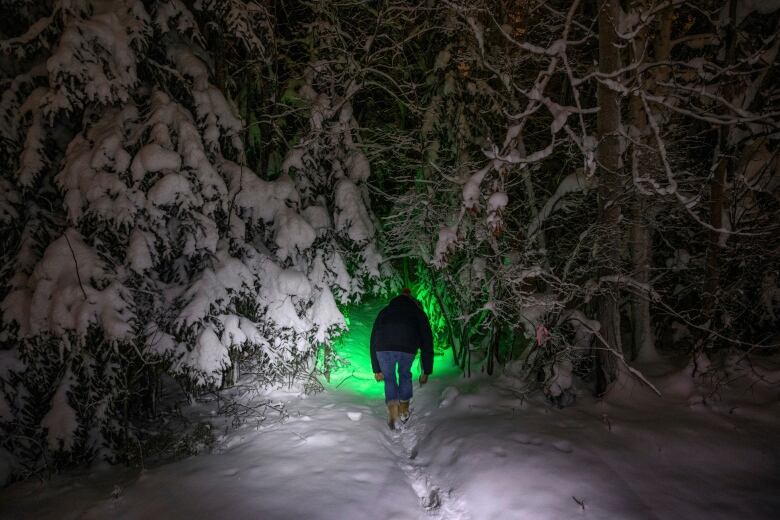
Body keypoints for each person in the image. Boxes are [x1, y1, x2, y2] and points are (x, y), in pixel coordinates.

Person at [370, 288, 433, 430]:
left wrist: (376, 369)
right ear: (413, 301)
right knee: (404, 375)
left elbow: (373, 338)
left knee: (390, 378)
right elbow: (427, 340)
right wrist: (426, 370)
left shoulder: (385, 311)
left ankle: (392, 410)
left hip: (383, 347)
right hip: (407, 347)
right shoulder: (418, 312)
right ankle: (403, 410)